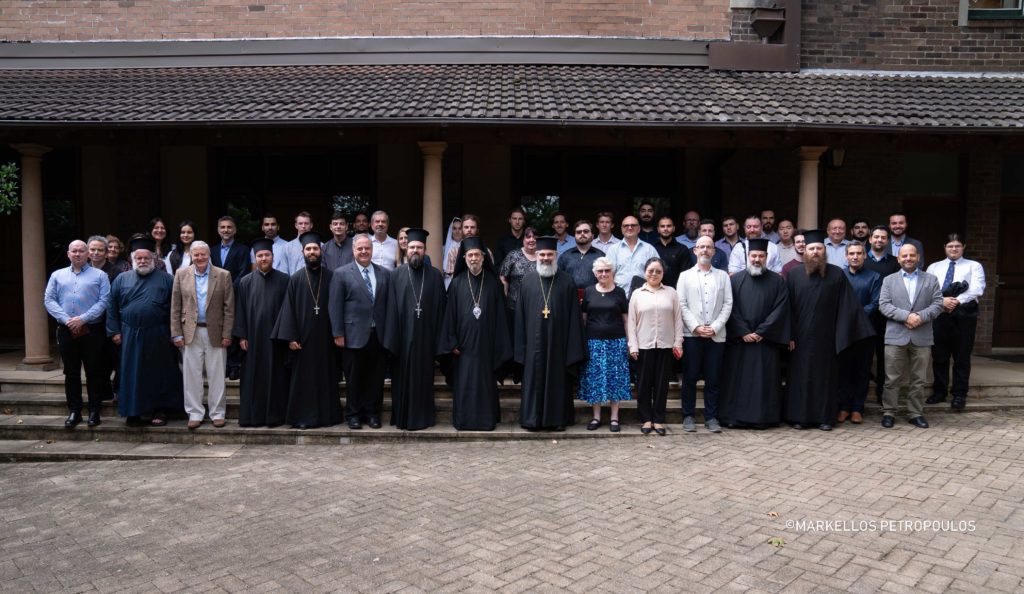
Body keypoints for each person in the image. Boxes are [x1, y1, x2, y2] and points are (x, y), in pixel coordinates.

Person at [784, 230, 874, 431]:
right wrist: (789, 335)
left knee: (826, 379)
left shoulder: (837, 274)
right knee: (801, 377)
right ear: (804, 251)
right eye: (811, 248)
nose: (815, 252)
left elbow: (847, 307)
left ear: (824, 251)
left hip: (828, 339)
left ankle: (825, 417)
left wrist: (842, 336)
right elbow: (786, 307)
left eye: (819, 248)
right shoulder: (794, 275)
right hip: (800, 339)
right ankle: (800, 417)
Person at [106, 237, 183, 426]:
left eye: (146, 258)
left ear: (153, 259)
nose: (142, 261)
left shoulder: (167, 279)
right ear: (133, 260)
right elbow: (111, 306)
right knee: (132, 373)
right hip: (130, 334)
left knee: (159, 372)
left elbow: (176, 308)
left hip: (159, 334)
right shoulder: (121, 279)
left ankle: (160, 410)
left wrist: (175, 333)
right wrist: (114, 331)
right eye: (138, 258)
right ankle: (133, 412)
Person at [439, 237, 512, 431]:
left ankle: (486, 421)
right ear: (464, 258)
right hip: (463, 348)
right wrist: (452, 341)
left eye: (476, 255)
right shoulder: (456, 284)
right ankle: (464, 421)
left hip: (487, 347)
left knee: (485, 385)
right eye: (470, 255)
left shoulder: (494, 283)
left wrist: (498, 344)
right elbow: (449, 315)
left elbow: (500, 318)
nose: (473, 259)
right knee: (464, 385)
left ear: (483, 257)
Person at [271, 231, 343, 429]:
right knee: (303, 380)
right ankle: (303, 418)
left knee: (326, 377)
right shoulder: (294, 279)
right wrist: (291, 337)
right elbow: (288, 310)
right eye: (308, 249)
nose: (312, 252)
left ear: (321, 251)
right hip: (303, 340)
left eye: (315, 248)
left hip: (326, 338)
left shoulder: (332, 277)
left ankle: (328, 417)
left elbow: (338, 307)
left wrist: (338, 332)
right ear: (303, 252)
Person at [514, 237, 587, 431]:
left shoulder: (566, 281)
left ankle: (557, 420)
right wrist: (521, 347)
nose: (546, 258)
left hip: (559, 345)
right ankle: (532, 420)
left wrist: (572, 348)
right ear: (536, 255)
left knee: (558, 381)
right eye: (542, 254)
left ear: (556, 255)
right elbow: (520, 316)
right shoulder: (528, 281)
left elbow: (574, 317)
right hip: (532, 346)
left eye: (549, 254)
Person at [718, 239, 790, 428]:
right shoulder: (734, 280)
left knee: (762, 383)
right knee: (738, 382)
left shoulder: (778, 282)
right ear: (747, 257)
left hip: (765, 342)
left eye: (761, 256)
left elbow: (780, 309)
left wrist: (761, 332)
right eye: (754, 256)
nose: (757, 259)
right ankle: (733, 418)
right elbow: (729, 308)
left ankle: (762, 419)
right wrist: (743, 331)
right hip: (740, 342)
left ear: (767, 257)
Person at [382, 228, 445, 431]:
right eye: (411, 247)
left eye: (419, 247)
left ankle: (424, 418)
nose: (415, 250)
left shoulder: (435, 276)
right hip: (401, 339)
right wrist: (392, 341)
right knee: (402, 380)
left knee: (424, 380)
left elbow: (441, 310)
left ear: (425, 250)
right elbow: (390, 309)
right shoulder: (396, 275)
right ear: (405, 249)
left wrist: (438, 340)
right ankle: (402, 417)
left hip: (426, 340)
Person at [44, 239, 111, 429]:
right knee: (71, 372)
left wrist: (83, 318)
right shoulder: (57, 275)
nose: (78, 254)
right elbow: (49, 300)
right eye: (74, 251)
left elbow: (104, 301)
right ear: (68, 254)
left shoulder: (100, 275)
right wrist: (67, 320)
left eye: (82, 251)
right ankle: (74, 411)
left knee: (94, 371)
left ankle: (94, 411)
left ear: (87, 254)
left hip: (91, 329)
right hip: (66, 329)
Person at [878, 244, 944, 429]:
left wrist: (919, 317)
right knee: (892, 377)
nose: (908, 258)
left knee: (918, 378)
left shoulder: (930, 279)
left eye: (911, 255)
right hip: (895, 335)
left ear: (918, 257)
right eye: (904, 255)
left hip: (922, 336)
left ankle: (915, 413)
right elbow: (883, 305)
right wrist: (906, 316)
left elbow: (938, 304)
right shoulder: (889, 280)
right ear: (898, 259)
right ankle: (889, 412)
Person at [171, 241, 235, 429]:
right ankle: (195, 413)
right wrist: (176, 333)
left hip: (215, 330)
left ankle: (217, 413)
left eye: (203, 254)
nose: (199, 258)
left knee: (217, 374)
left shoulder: (223, 275)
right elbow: (175, 306)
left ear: (209, 255)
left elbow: (229, 308)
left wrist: (227, 333)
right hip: (190, 331)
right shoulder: (181, 275)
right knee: (191, 376)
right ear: (191, 255)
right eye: (196, 254)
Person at [330, 234, 390, 430]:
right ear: (353, 250)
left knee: (375, 378)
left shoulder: (384, 273)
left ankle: (373, 414)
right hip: (352, 335)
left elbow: (388, 305)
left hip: (378, 335)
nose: (364, 251)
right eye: (360, 249)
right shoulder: (341, 274)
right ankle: (354, 415)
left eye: (367, 248)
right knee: (354, 379)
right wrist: (338, 333)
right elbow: (335, 306)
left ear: (371, 249)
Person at [233, 238, 290, 427]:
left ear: (273, 257)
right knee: (253, 378)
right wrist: (242, 335)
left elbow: (289, 310)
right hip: (254, 339)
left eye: (267, 255)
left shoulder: (284, 280)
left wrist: (286, 334)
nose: (263, 258)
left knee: (277, 377)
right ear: (255, 258)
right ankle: (253, 417)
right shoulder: (245, 282)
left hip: (276, 338)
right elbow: (240, 309)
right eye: (260, 256)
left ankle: (275, 417)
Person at [926, 233, 986, 411]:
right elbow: (928, 288)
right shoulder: (934, 267)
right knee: (939, 356)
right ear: (945, 247)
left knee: (961, 356)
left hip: (964, 315)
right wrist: (942, 301)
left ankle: (959, 394)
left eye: (957, 246)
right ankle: (939, 391)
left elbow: (977, 288)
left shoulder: (974, 266)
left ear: (963, 247)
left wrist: (956, 300)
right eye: (950, 246)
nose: (954, 249)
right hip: (940, 313)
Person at [678, 236, 733, 433]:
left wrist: (715, 327)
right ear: (695, 250)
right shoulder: (684, 276)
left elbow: (728, 304)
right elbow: (681, 304)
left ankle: (711, 417)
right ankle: (688, 416)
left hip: (716, 336)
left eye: (709, 247)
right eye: (701, 247)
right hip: (693, 335)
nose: (705, 250)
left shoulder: (723, 276)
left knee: (713, 378)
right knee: (690, 377)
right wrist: (696, 327)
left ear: (714, 251)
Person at [627, 257, 683, 436]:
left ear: (663, 273)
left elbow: (678, 320)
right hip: (643, 346)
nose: (654, 274)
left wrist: (678, 342)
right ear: (645, 272)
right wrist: (633, 346)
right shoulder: (637, 294)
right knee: (643, 384)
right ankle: (646, 419)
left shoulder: (671, 293)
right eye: (651, 270)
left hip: (666, 345)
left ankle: (658, 419)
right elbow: (631, 322)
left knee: (661, 385)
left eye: (658, 271)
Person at [578, 255, 631, 432]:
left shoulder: (619, 292)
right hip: (593, 343)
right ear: (595, 273)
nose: (603, 273)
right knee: (595, 380)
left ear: (612, 272)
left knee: (615, 379)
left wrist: (630, 341)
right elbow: (584, 318)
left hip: (616, 342)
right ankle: (596, 417)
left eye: (607, 270)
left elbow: (625, 319)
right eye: (600, 271)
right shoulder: (589, 291)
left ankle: (615, 418)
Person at [838, 242, 882, 424]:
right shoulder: (838, 276)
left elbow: (875, 302)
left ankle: (857, 408)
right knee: (844, 370)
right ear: (846, 256)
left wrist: (854, 316)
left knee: (862, 371)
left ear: (865, 256)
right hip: (842, 330)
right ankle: (843, 407)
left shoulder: (875, 277)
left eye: (859, 253)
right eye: (851, 253)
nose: (855, 257)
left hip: (865, 331)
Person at [863, 225, 901, 397]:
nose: (879, 240)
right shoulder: (862, 259)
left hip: (887, 318)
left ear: (887, 241)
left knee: (885, 359)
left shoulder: (894, 263)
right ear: (870, 239)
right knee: (865, 357)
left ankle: (882, 395)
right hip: (865, 316)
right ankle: (861, 396)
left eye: (883, 237)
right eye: (876, 237)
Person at [607, 216, 658, 295]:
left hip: (644, 295)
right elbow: (608, 274)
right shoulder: (613, 249)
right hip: (618, 296)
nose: (629, 228)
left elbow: (657, 273)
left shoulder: (649, 249)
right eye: (626, 225)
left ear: (639, 228)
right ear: (621, 229)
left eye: (633, 225)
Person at [557, 219, 605, 294]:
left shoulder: (601, 256)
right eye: (578, 232)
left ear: (592, 236)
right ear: (575, 236)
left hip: (594, 298)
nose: (582, 234)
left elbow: (605, 280)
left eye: (586, 231)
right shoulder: (565, 256)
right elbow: (558, 280)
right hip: (569, 297)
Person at [653, 216, 692, 289]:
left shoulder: (682, 249)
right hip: (655, 291)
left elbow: (686, 274)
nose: (665, 229)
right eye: (662, 226)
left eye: (669, 226)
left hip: (676, 292)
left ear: (674, 228)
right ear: (658, 229)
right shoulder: (652, 248)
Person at [211, 215, 249, 282]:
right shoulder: (213, 250)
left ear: (235, 230)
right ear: (218, 230)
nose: (226, 230)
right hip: (216, 290)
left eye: (229, 227)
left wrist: (231, 289)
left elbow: (243, 273)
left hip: (236, 290)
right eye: (223, 227)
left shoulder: (243, 249)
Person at [441, 217, 463, 288]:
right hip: (447, 282)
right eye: (454, 228)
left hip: (462, 282)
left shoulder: (466, 246)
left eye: (459, 228)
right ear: (451, 230)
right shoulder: (444, 249)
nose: (457, 231)